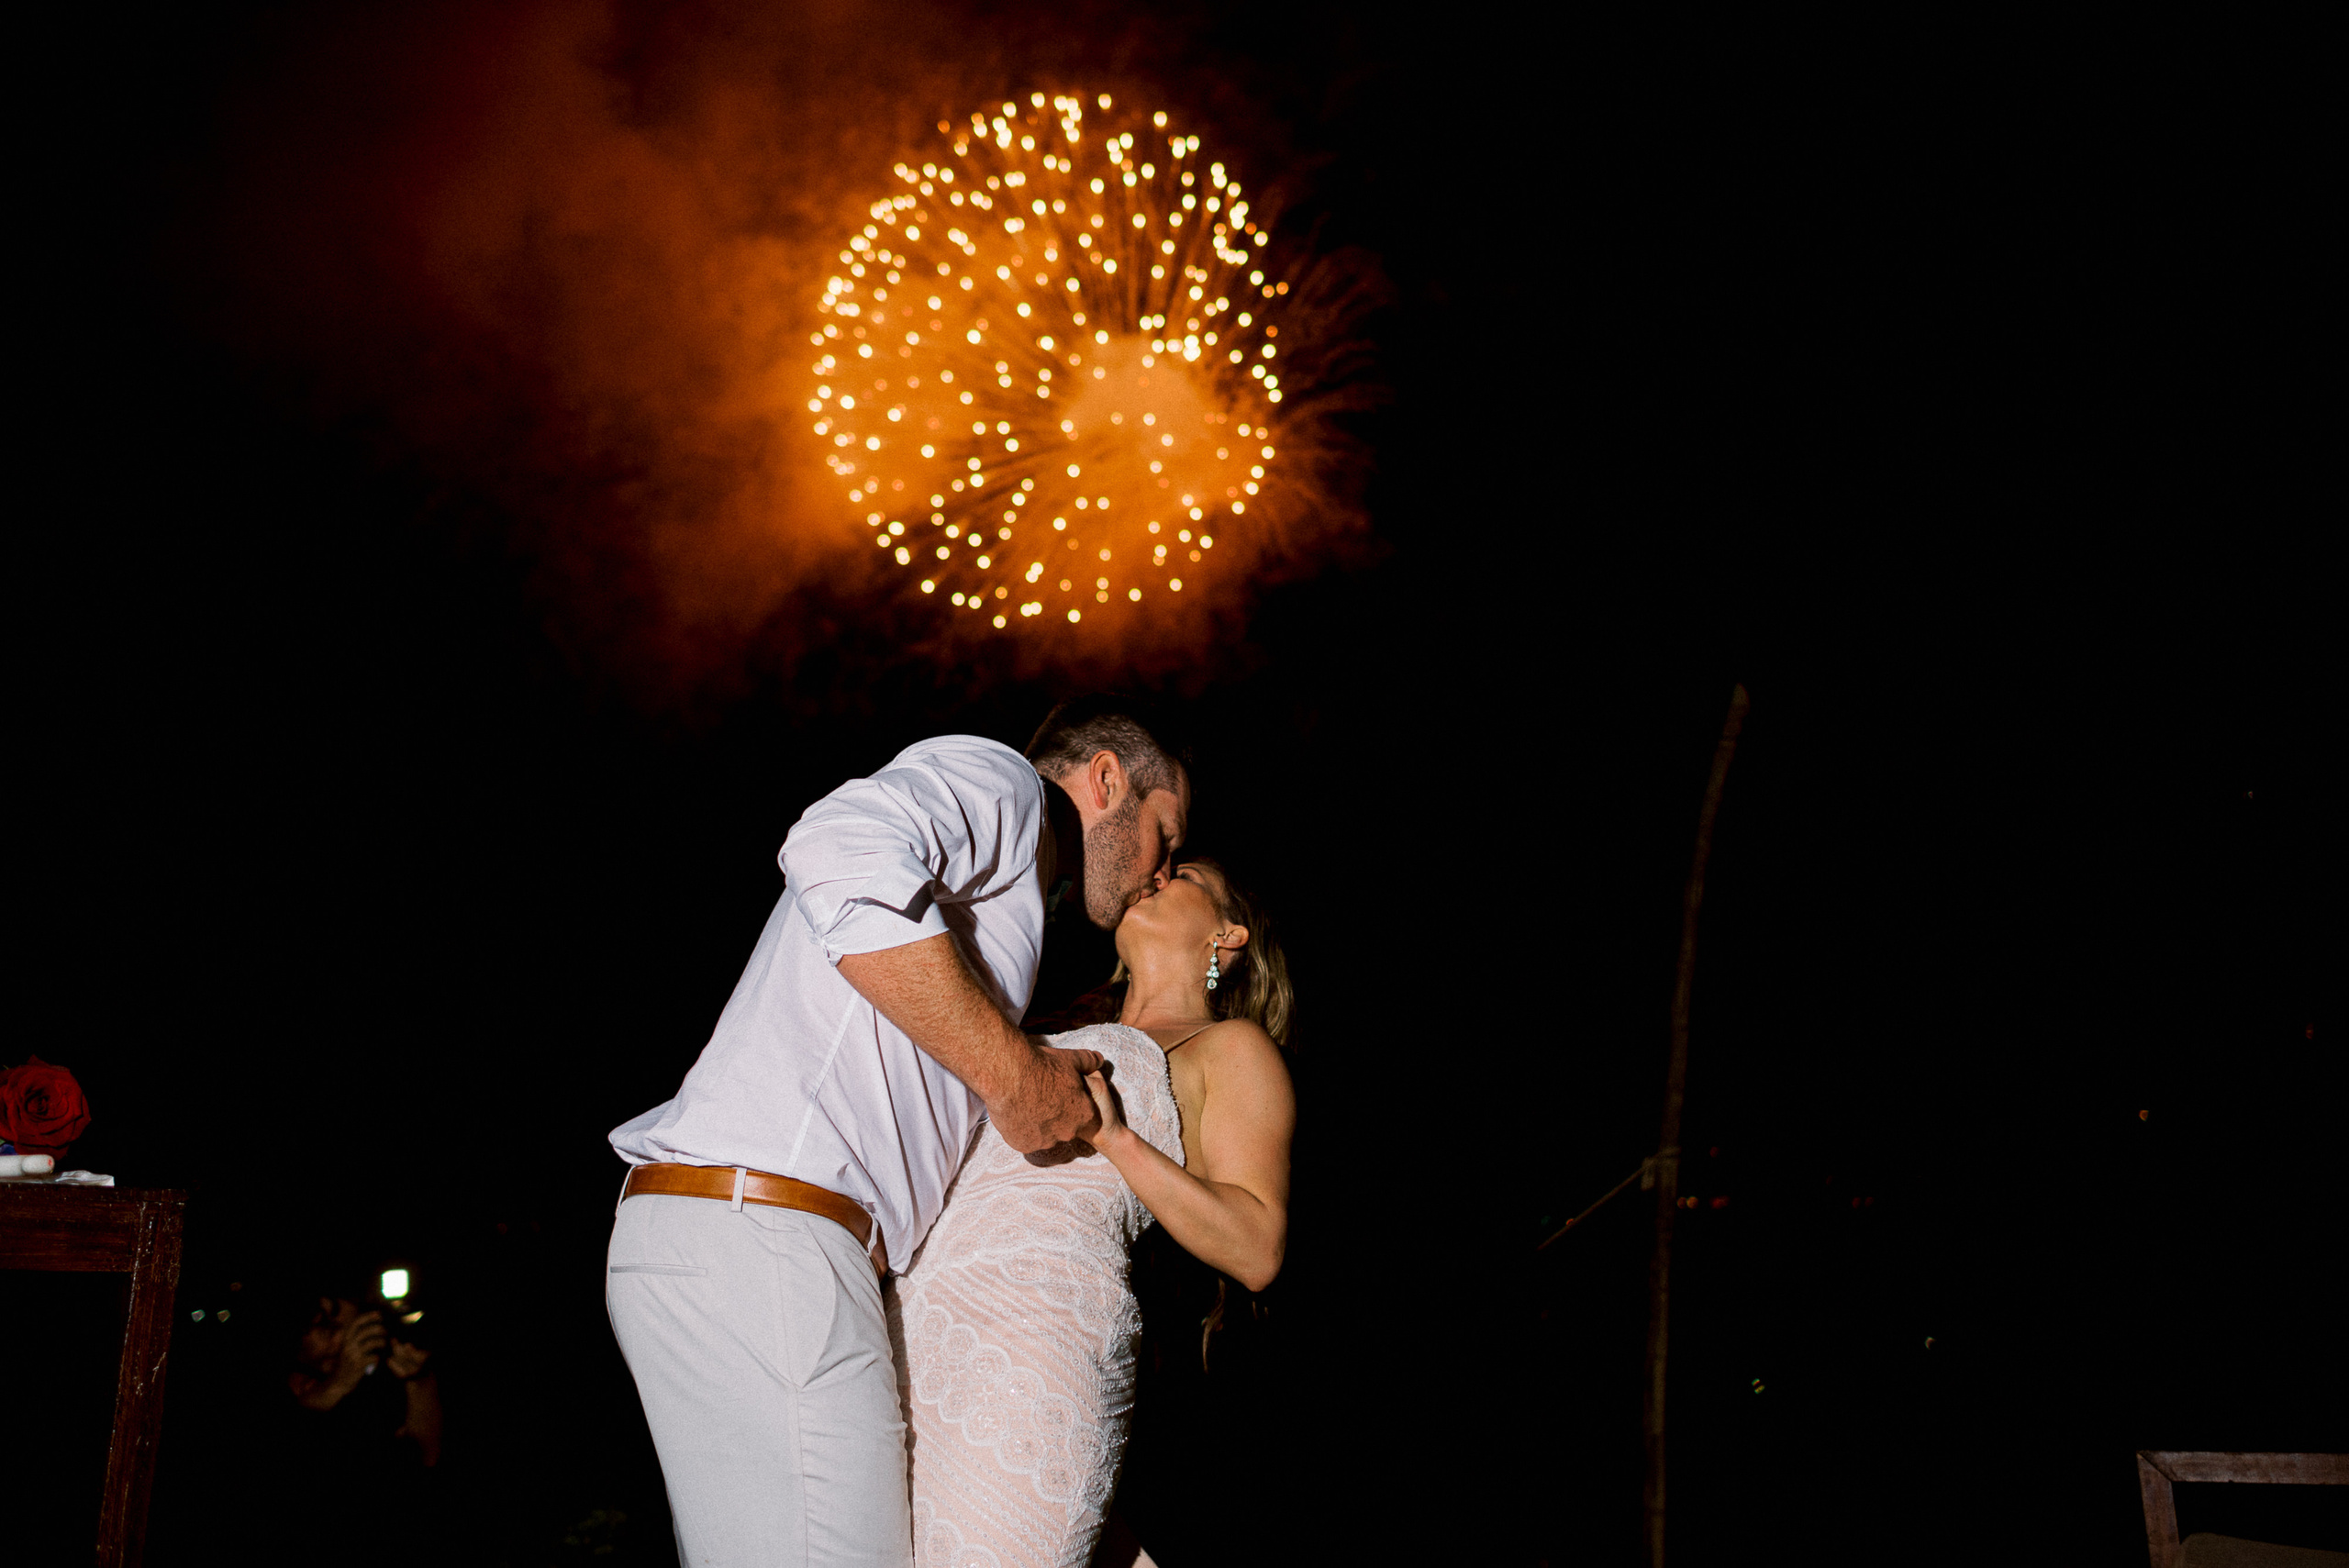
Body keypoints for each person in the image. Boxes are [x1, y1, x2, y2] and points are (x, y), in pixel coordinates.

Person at [605, 697, 1191, 1568]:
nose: (1162, 869)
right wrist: (1012, 1071)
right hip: (764, 1226)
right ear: (1106, 780)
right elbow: (833, 843)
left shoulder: (1008, 912)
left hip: (784, 1244)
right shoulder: (1010, 787)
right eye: (1164, 834)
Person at [891, 854, 1296, 1568]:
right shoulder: (1041, 1022)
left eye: (1184, 875)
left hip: (1035, 1342)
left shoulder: (1229, 1047)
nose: (1156, 874)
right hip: (918, 1328)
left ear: (1227, 935)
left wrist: (1113, 1136)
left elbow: (1256, 1245)